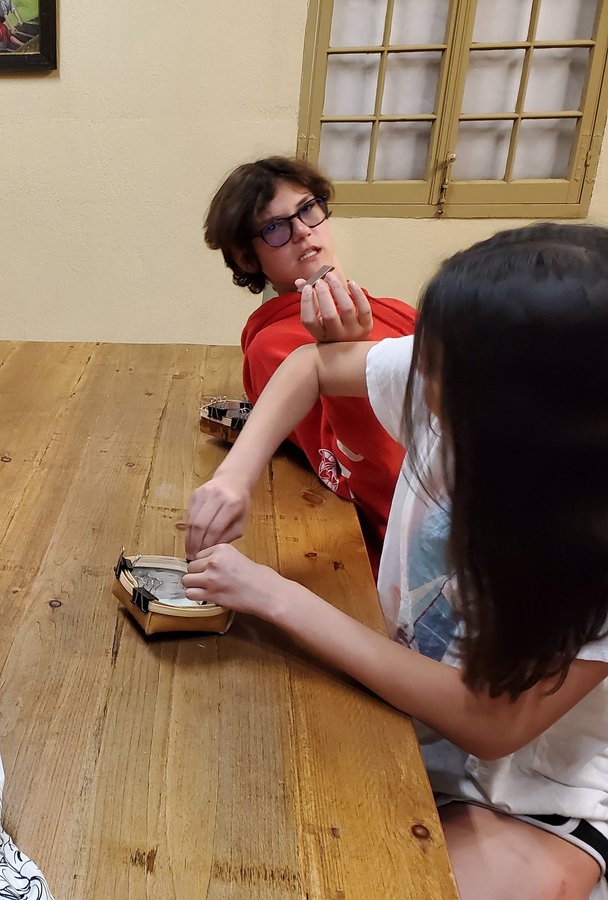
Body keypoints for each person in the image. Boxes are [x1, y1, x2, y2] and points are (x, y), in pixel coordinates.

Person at [184, 223, 608, 900]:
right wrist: (235, 475)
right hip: (415, 716)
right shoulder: (451, 387)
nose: (413, 365)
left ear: (523, 405)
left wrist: (276, 596)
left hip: (543, 792)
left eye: (437, 358)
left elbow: (492, 724)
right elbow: (315, 365)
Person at [203, 156, 416, 556]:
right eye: (274, 228)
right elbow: (354, 472)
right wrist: (343, 356)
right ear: (248, 258)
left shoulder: (395, 309)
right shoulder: (275, 349)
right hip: (406, 539)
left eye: (307, 210)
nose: (302, 231)